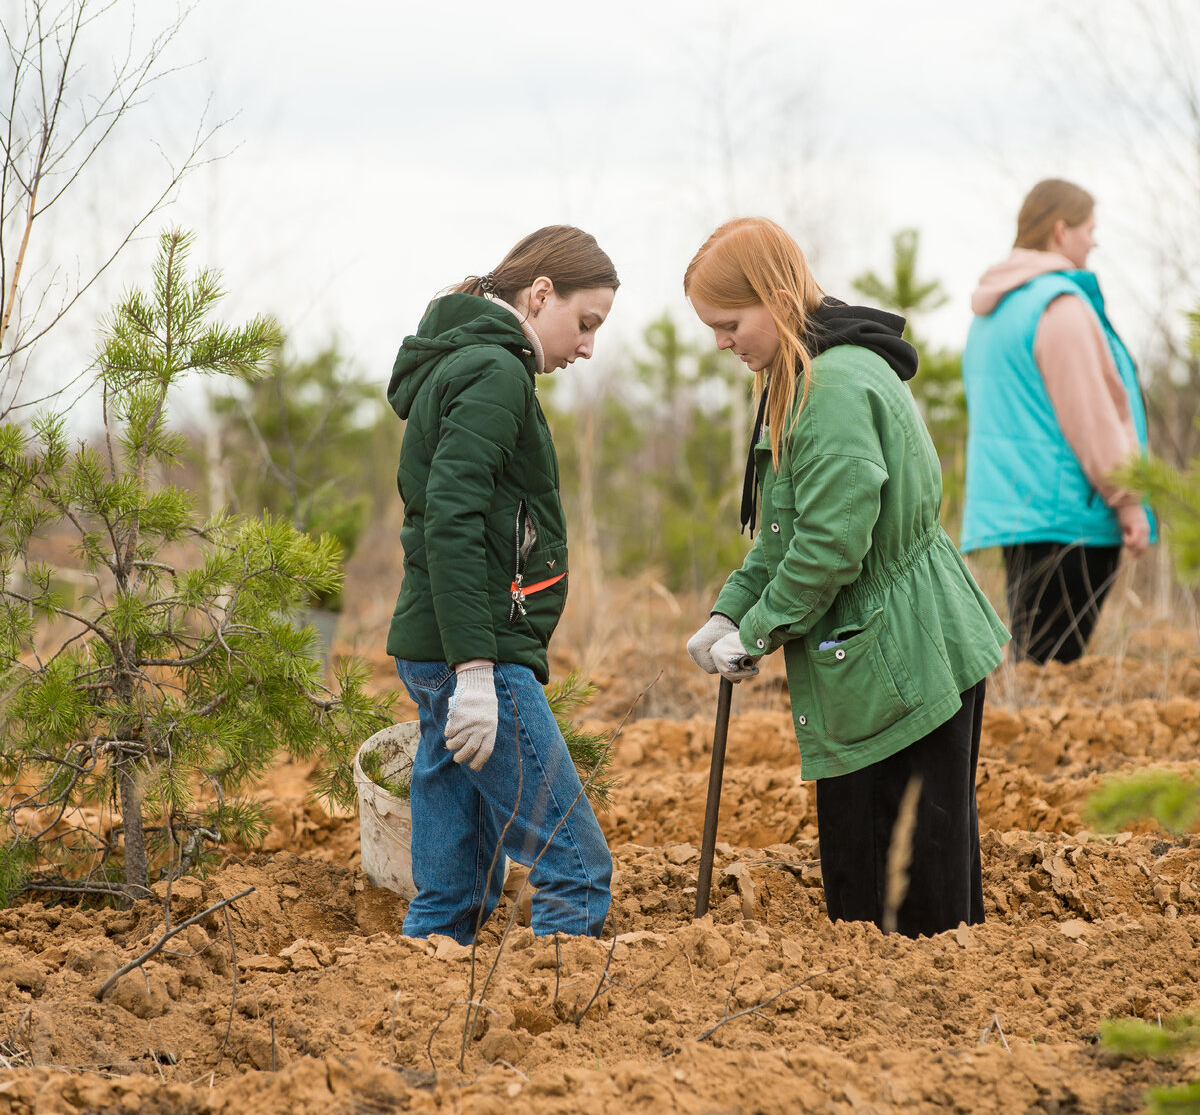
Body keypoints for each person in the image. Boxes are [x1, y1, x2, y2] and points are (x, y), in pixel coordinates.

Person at [682, 216, 1009, 940]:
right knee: (892, 877)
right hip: (892, 652)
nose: (720, 342)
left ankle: (929, 1043)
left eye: (728, 322)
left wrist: (759, 633)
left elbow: (831, 548)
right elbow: (785, 529)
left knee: (907, 900)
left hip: (898, 659)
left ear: (773, 296)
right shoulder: (802, 375)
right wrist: (731, 611)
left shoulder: (828, 388)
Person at [385, 225, 617, 943]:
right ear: (540, 293)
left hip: (438, 643)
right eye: (585, 323)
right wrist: (478, 672)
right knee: (575, 866)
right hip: (473, 648)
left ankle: (417, 1005)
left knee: (452, 895)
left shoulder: (466, 360)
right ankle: (560, 1031)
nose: (586, 347)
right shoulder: (495, 372)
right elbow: (451, 518)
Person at [960, 178, 1155, 664]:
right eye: (1090, 228)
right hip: (1072, 517)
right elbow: (1091, 417)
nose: (1094, 241)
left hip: (1020, 512)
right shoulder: (1060, 306)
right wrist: (1129, 502)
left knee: (1034, 664)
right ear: (1061, 230)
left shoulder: (994, 311)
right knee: (1052, 668)